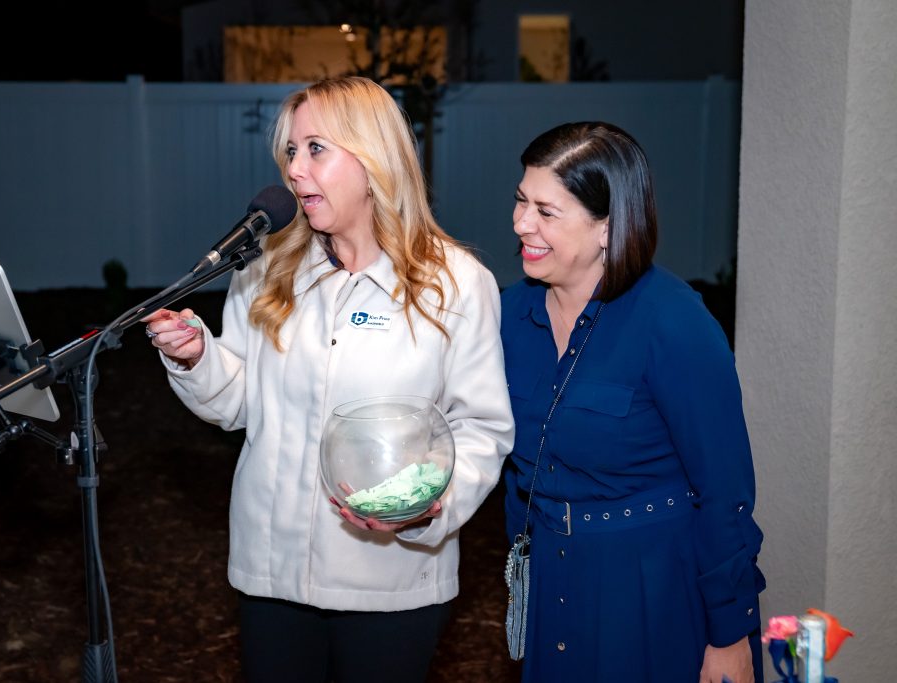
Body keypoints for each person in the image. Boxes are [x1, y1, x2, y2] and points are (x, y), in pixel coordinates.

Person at [143, 76, 514, 683]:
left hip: (390, 584)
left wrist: (425, 511)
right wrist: (195, 357)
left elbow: (482, 429)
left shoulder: (455, 283)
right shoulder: (267, 270)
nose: (295, 170)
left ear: (373, 159)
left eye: (316, 149)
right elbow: (238, 401)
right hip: (271, 576)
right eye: (290, 151)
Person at [501, 122, 765, 683]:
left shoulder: (672, 320)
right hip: (552, 580)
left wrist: (729, 632)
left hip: (652, 586)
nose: (521, 223)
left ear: (608, 226)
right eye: (522, 201)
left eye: (547, 211)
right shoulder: (507, 316)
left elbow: (724, 490)